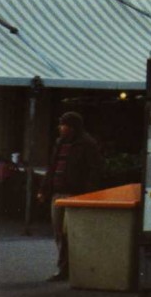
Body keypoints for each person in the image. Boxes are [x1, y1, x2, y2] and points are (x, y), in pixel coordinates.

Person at [37, 112, 103, 281]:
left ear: (72, 127)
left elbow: (93, 171)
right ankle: (64, 267)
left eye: (63, 124)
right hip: (58, 194)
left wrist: (88, 194)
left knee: (71, 233)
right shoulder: (60, 143)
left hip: (75, 194)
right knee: (59, 232)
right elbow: (52, 167)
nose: (60, 127)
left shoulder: (87, 144)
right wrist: (44, 189)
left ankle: (69, 268)